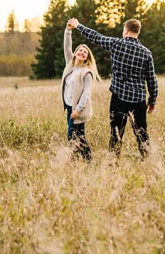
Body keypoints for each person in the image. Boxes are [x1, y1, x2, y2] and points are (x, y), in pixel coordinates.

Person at [67, 17, 158, 159]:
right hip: (139, 100)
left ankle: (113, 163)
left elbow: (96, 37)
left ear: (126, 31)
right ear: (137, 32)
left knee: (116, 134)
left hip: (119, 99)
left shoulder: (116, 44)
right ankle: (147, 161)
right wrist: (152, 101)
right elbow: (151, 79)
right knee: (141, 134)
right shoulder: (147, 53)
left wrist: (78, 25)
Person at [62, 21, 101, 161]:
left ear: (87, 57)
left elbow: (86, 94)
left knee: (72, 135)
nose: (82, 52)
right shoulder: (70, 65)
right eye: (80, 50)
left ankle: (85, 161)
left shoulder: (87, 73)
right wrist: (68, 30)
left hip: (78, 109)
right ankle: (83, 160)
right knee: (77, 135)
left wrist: (78, 110)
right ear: (76, 53)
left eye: (85, 52)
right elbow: (67, 47)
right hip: (69, 106)